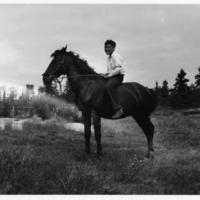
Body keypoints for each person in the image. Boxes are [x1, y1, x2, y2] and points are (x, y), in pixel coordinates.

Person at [102, 40, 125, 118]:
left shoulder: (115, 56)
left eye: (108, 47)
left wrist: (108, 76)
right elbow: (109, 70)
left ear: (113, 48)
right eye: (105, 47)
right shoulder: (109, 58)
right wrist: (104, 74)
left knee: (108, 86)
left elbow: (118, 69)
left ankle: (118, 109)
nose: (106, 49)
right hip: (113, 75)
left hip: (118, 76)